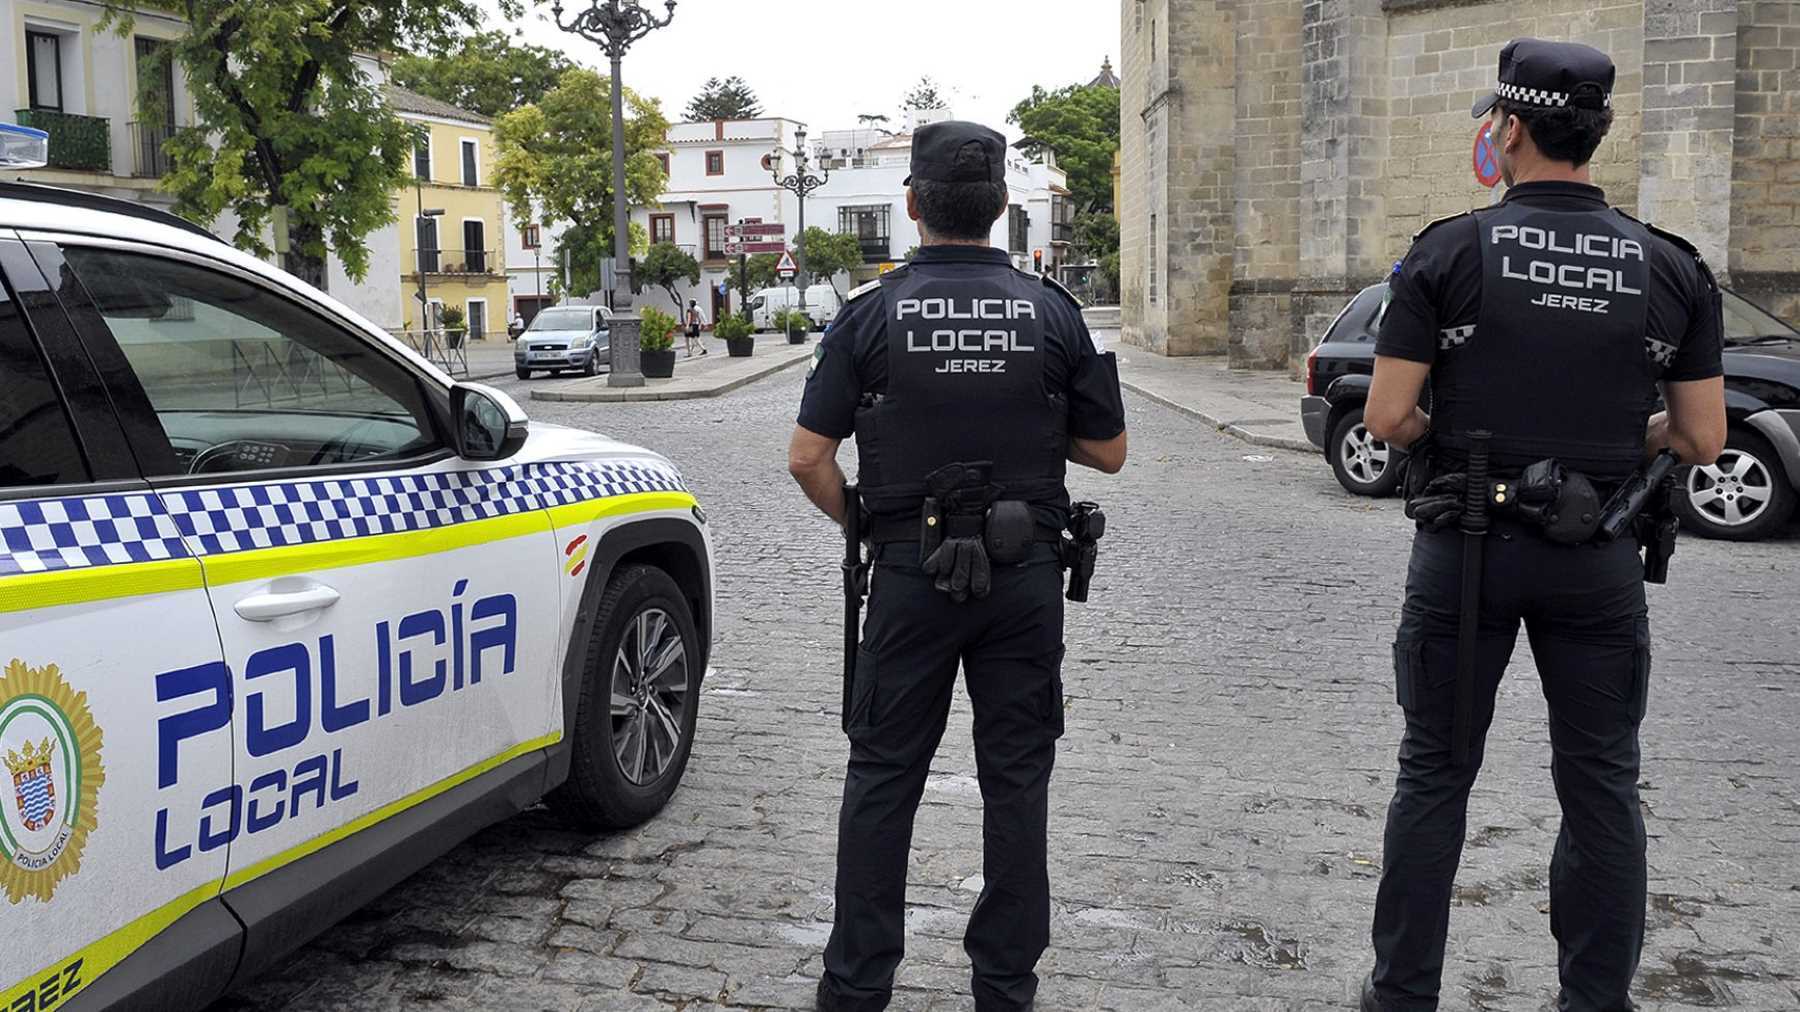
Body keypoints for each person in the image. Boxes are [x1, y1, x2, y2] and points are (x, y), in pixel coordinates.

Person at [1358, 39, 1727, 1012]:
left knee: (1434, 773)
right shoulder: (1671, 266)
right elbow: (1699, 434)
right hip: (1597, 551)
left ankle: (1402, 994)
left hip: (1468, 547)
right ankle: (1593, 998)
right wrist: (1609, 437)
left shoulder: (1449, 250)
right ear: (1597, 132)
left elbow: (1388, 419)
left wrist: (1473, 443)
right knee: (1602, 782)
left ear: (1508, 129)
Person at [787, 120, 1128, 1012]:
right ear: (1003, 209)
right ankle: (1006, 989)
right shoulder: (1054, 310)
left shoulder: (871, 313)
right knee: (1016, 781)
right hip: (1024, 581)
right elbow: (1111, 449)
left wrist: (868, 525)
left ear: (911, 207)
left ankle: (856, 988)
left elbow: (808, 458)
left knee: (882, 778)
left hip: (908, 570)